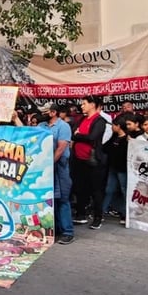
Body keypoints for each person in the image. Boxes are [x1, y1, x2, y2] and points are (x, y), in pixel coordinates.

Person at [38, 102, 75, 244]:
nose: (42, 114)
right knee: (49, 198)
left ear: (53, 113)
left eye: (45, 111)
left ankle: (68, 232)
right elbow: (28, 134)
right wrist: (16, 118)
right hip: (45, 167)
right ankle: (54, 229)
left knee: (63, 198)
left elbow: (61, 148)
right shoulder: (41, 126)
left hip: (59, 166)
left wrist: (49, 164)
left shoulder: (63, 126)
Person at [70, 95, 109, 230]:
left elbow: (92, 137)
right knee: (80, 188)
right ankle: (81, 214)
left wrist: (79, 135)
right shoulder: (81, 119)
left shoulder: (100, 120)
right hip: (78, 159)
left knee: (96, 190)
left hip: (93, 161)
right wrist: (79, 135)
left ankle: (98, 217)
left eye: (84, 103)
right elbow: (72, 134)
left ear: (92, 105)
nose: (82, 106)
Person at [102, 115, 129, 225]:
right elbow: (105, 148)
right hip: (113, 168)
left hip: (122, 169)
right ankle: (102, 210)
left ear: (118, 126)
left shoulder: (128, 139)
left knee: (124, 191)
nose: (112, 127)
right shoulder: (114, 136)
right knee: (109, 189)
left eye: (113, 125)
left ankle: (126, 213)